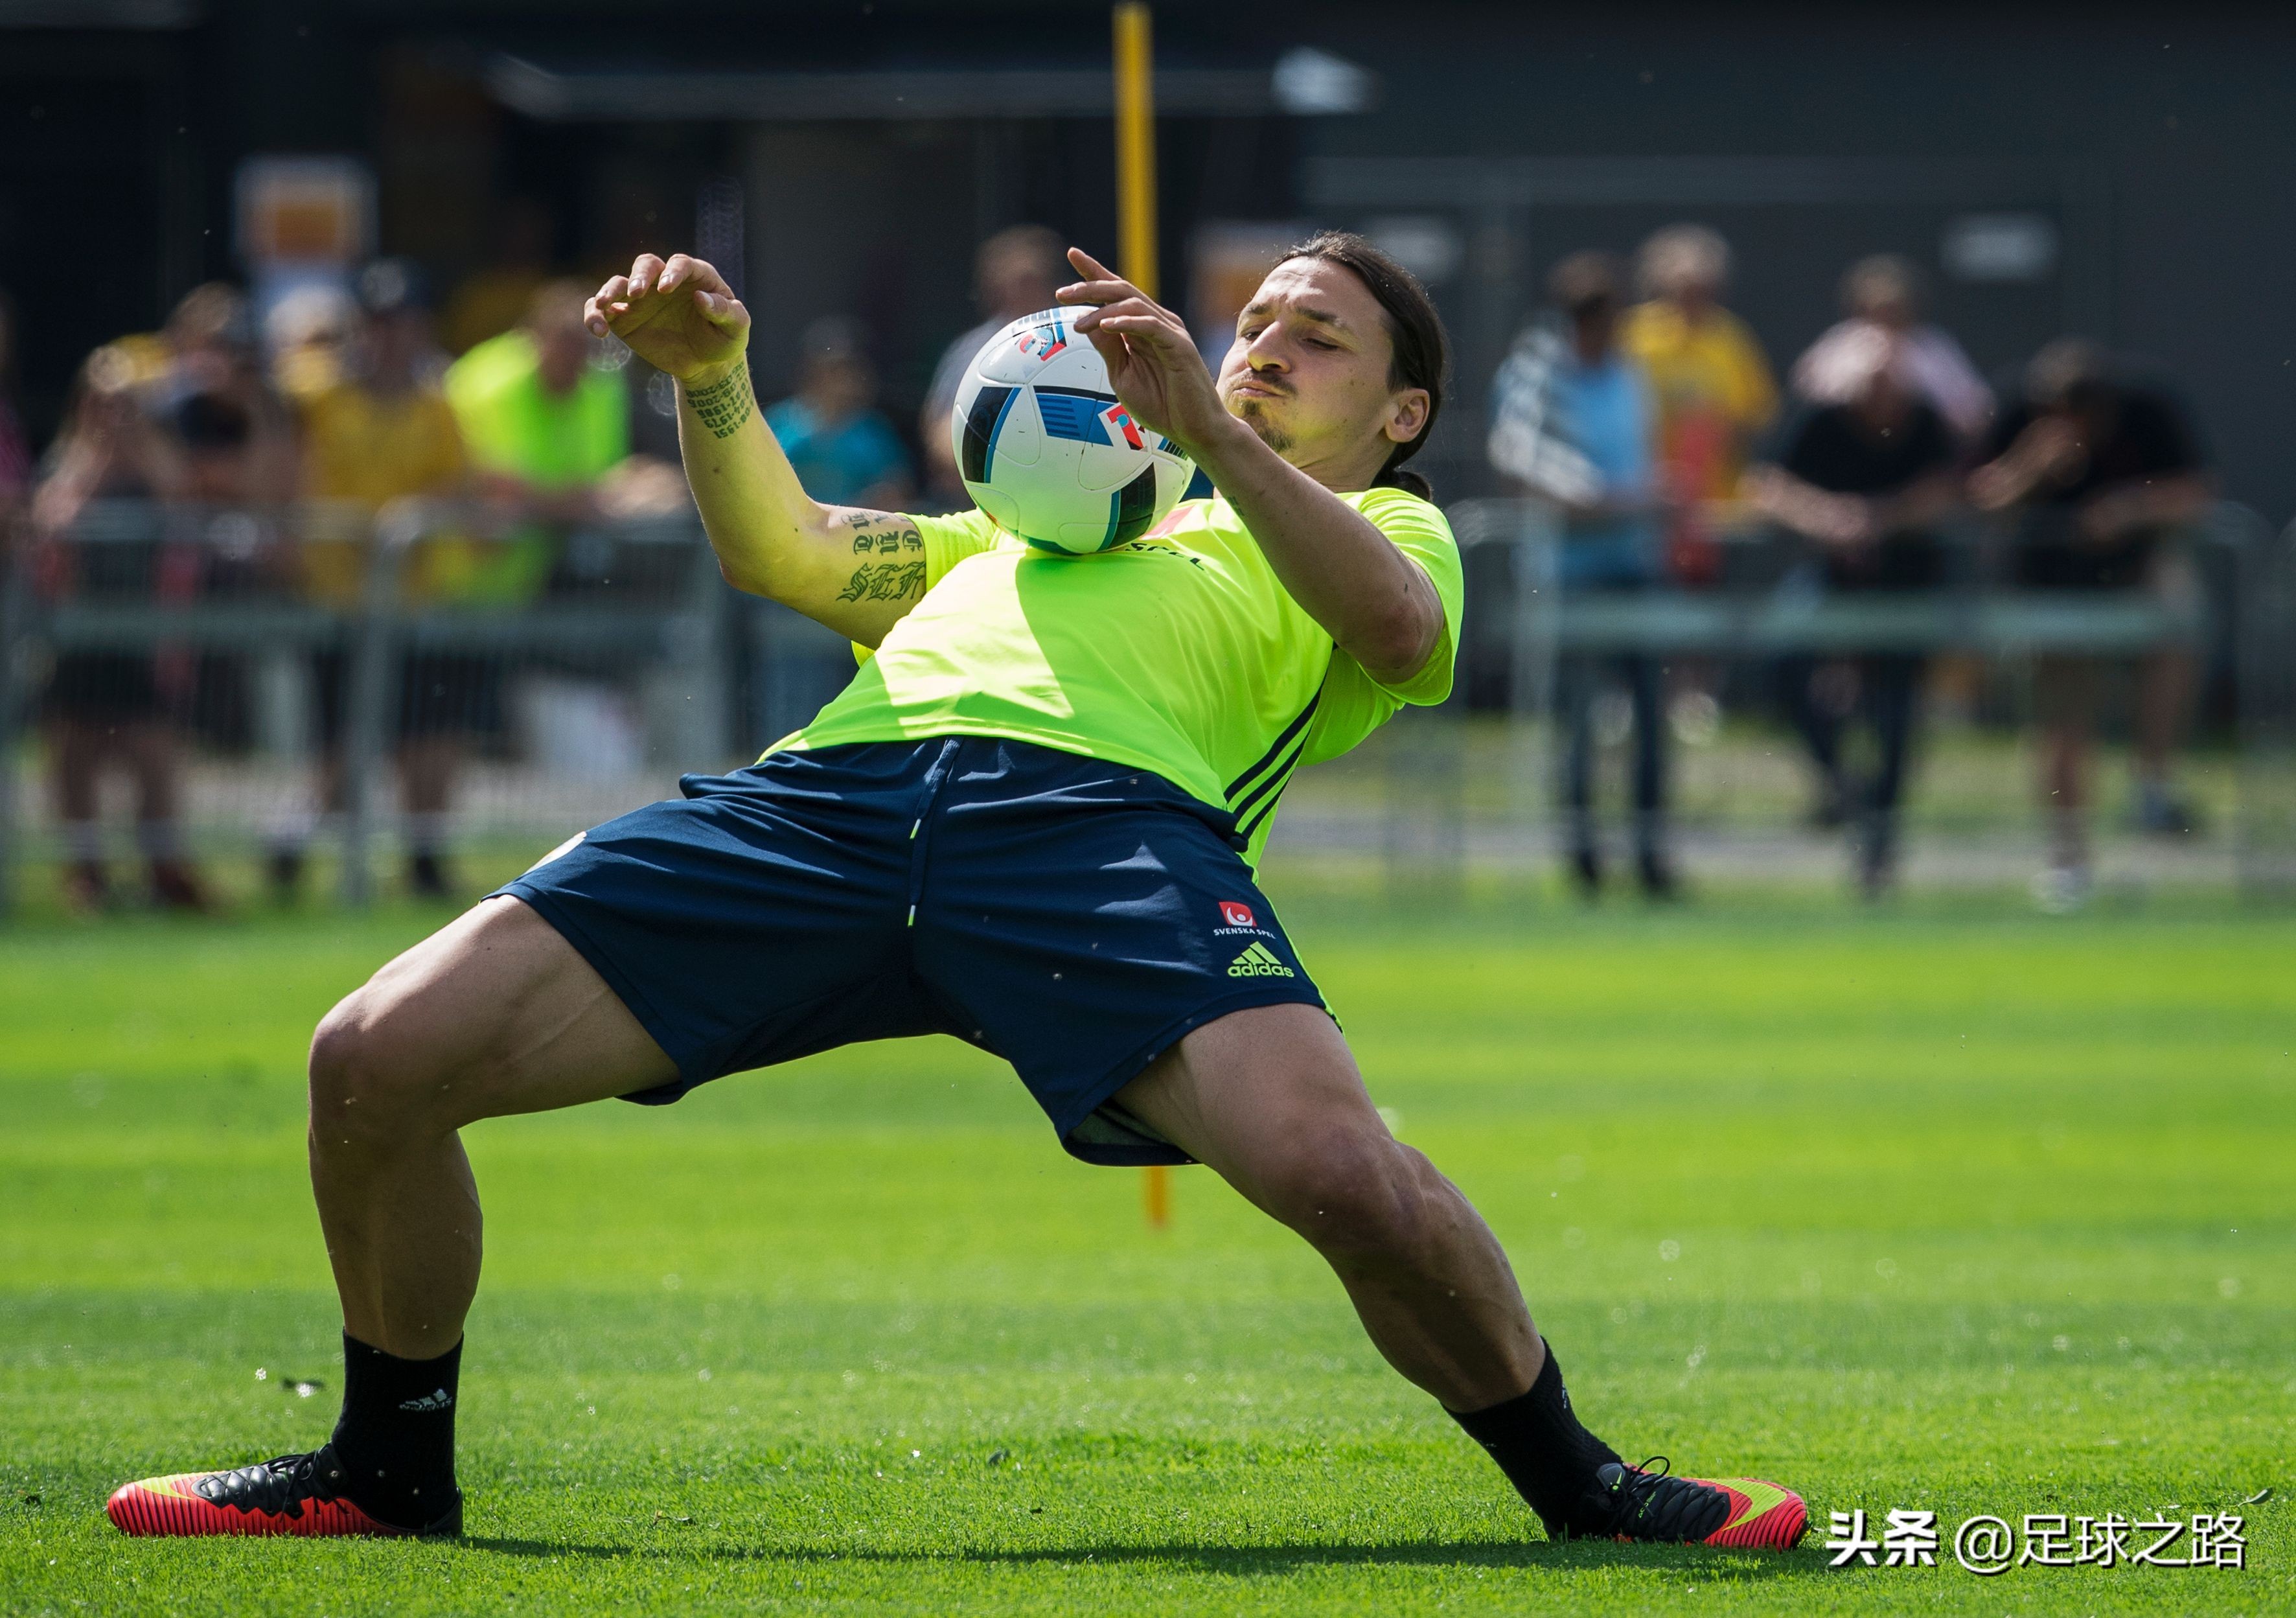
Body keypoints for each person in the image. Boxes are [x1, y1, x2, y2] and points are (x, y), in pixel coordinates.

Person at [106, 233, 1808, 1551]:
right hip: (831, 805)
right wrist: (715, 374)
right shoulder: (1039, 530)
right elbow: (782, 549)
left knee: (1340, 1176)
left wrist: (1213, 425)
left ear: (1401, 415)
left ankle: (1588, 1489)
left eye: (1320, 335)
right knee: (372, 1057)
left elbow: (1399, 634)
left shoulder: (1378, 527)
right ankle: (388, 1469)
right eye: (1255, 324)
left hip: (1101, 839)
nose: (1270, 344)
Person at [1969, 340, 2213, 909]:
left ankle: (2152, 782)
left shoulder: (2148, 410)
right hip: (2051, 590)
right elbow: (1981, 503)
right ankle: (2068, 859)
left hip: (2136, 578)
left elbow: (2198, 493)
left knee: (2181, 625)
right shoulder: (2014, 416)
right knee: (2062, 722)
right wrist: (2032, 467)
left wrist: (2130, 509)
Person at [277, 260, 476, 902]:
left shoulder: (435, 406)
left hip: (413, 603)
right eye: (379, 324)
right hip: (338, 603)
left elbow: (457, 481)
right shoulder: (315, 393)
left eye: (403, 324)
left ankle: (425, 856)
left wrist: (420, 514)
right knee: (340, 747)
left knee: (430, 739)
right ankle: (290, 846)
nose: (391, 337)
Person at [1487, 251, 1677, 898]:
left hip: (1635, 566)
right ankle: (1584, 861)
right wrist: (1603, 501)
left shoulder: (1627, 372)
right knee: (1578, 720)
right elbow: (1518, 460)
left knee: (1653, 718)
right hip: (1568, 573)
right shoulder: (1536, 373)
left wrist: (1643, 500)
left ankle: (1651, 856)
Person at [1749, 327, 1960, 897]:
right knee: (1782, 657)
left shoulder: (1925, 423)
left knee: (1893, 714)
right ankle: (1839, 784)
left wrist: (1880, 518)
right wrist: (1830, 520)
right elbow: (1770, 486)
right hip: (1832, 579)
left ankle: (1879, 842)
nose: (1880, 399)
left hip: (1908, 583)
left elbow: (1953, 488)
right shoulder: (1824, 421)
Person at [28, 346, 209, 912]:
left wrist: (138, 446)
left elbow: (184, 507)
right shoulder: (71, 463)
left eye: (126, 403)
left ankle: (165, 869)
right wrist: (99, 451)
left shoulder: (162, 463)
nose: (115, 414)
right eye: (104, 402)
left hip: (145, 635)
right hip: (78, 634)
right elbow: (55, 521)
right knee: (75, 754)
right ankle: (87, 873)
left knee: (152, 754)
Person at [1618, 224, 1777, 586]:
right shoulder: (1632, 336)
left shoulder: (1731, 339)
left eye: (1702, 290)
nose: (1691, 299)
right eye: (1682, 289)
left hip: (1717, 511)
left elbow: (1758, 414)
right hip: (1648, 511)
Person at [919, 224, 1066, 505]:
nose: (1023, 292)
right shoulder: (976, 349)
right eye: (1013, 283)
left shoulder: (1081, 338)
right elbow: (941, 432)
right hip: (990, 497)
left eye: (1032, 280)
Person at [1791, 256, 1992, 446]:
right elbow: (1808, 405)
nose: (1885, 317)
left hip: (1923, 457)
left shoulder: (1933, 346)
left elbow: (1974, 410)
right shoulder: (1838, 346)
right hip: (1844, 454)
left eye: (1893, 308)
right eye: (1875, 307)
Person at [764, 316, 913, 509]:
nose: (840, 379)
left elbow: (899, 490)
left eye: (846, 369)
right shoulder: (778, 422)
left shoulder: (872, 432)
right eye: (830, 369)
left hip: (848, 532)